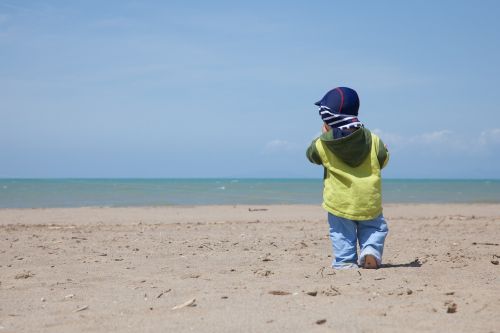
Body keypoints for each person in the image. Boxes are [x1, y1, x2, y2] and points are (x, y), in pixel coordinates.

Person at [306, 87, 390, 269]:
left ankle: (345, 261)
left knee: (341, 233)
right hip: (368, 199)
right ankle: (370, 251)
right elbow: (383, 159)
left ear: (327, 119)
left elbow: (311, 155)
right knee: (374, 227)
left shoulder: (323, 143)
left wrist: (324, 135)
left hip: (339, 201)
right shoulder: (373, 139)